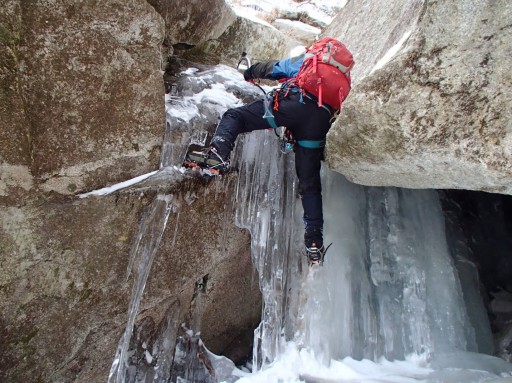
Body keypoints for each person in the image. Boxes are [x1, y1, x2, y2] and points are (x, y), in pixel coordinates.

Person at [188, 41, 352, 263]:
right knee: (309, 184)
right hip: (318, 123)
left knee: (235, 116)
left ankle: (217, 154)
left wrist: (249, 73)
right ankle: (314, 243)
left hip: (292, 105)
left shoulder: (307, 60)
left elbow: (275, 69)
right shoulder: (339, 81)